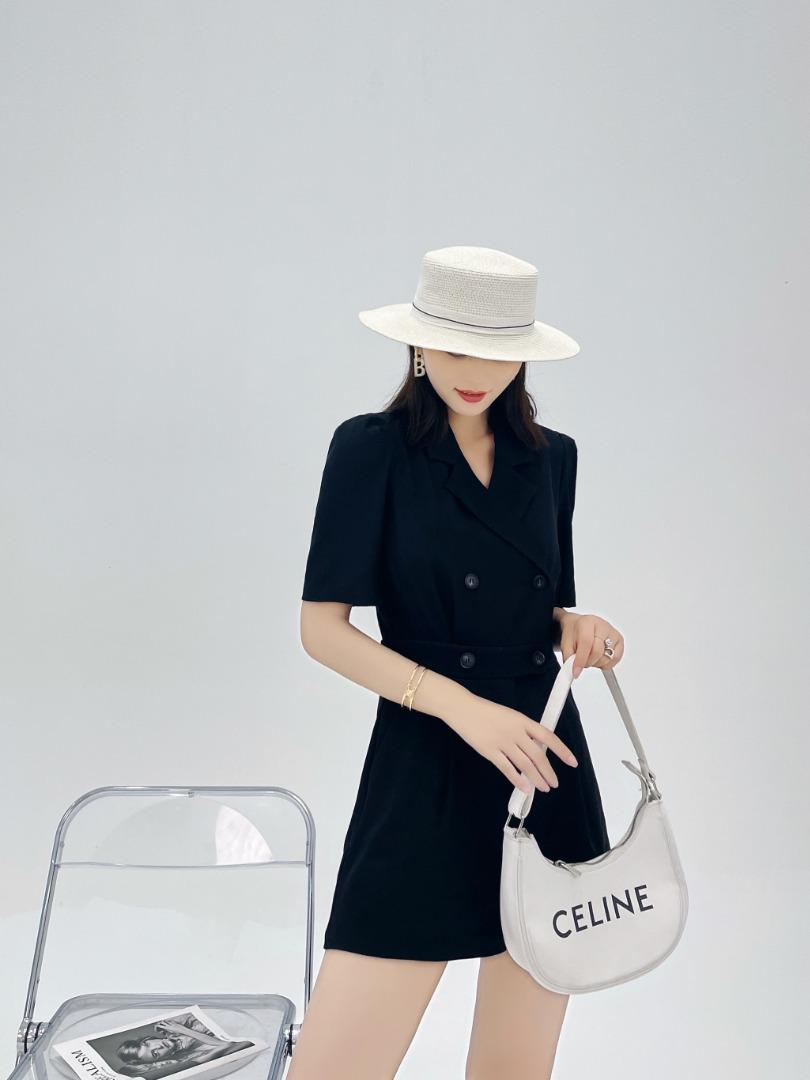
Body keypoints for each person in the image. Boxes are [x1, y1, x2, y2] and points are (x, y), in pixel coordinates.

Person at [289, 246, 624, 1080]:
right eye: (454, 349)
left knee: (516, 1066)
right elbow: (321, 630)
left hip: (540, 760)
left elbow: (535, 604)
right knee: (335, 1065)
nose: (475, 374)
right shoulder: (371, 449)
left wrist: (576, 625)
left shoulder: (553, 457)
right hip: (427, 757)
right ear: (418, 344)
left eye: (498, 353)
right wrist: (461, 708)